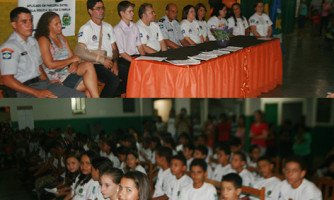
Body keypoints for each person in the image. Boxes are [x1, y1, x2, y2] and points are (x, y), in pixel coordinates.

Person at [0, 7, 85, 98]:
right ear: (14, 24)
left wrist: (47, 82)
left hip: (40, 84)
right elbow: (7, 80)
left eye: (30, 20)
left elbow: (39, 68)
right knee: (64, 103)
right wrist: (37, 92)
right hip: (23, 90)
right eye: (24, 22)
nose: (30, 25)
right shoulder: (9, 47)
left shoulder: (32, 41)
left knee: (79, 97)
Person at [35, 12, 99, 98]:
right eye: (56, 24)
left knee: (88, 65)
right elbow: (50, 64)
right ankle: (97, 102)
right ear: (47, 26)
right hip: (56, 79)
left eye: (60, 23)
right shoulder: (44, 39)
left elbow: (74, 57)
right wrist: (71, 61)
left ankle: (96, 102)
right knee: (90, 86)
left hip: (67, 73)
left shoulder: (61, 37)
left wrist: (75, 64)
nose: (60, 26)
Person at [75, 0, 120, 97]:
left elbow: (115, 49)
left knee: (129, 74)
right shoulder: (86, 28)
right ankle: (102, 103)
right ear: (90, 11)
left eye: (102, 8)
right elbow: (80, 51)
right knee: (114, 81)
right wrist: (102, 60)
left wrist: (115, 64)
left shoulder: (108, 26)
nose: (102, 11)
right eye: (98, 8)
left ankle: (111, 97)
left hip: (110, 61)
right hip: (95, 63)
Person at [114, 1, 145, 94]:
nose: (133, 13)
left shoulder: (134, 26)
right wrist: (135, 62)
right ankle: (121, 93)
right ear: (122, 13)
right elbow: (121, 52)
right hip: (124, 59)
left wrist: (145, 58)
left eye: (132, 11)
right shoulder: (117, 29)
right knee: (130, 74)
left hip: (135, 56)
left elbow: (139, 45)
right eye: (130, 11)